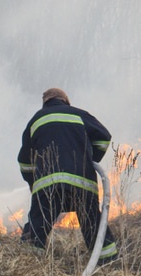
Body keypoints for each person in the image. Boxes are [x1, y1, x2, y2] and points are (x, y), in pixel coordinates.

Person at [17, 88, 119, 265]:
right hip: (82, 182)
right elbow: (104, 138)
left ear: (45, 102)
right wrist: (89, 158)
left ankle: (28, 265)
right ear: (65, 100)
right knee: (92, 224)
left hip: (48, 185)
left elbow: (25, 162)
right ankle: (109, 263)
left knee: (38, 224)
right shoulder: (79, 114)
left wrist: (34, 184)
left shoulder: (37, 119)